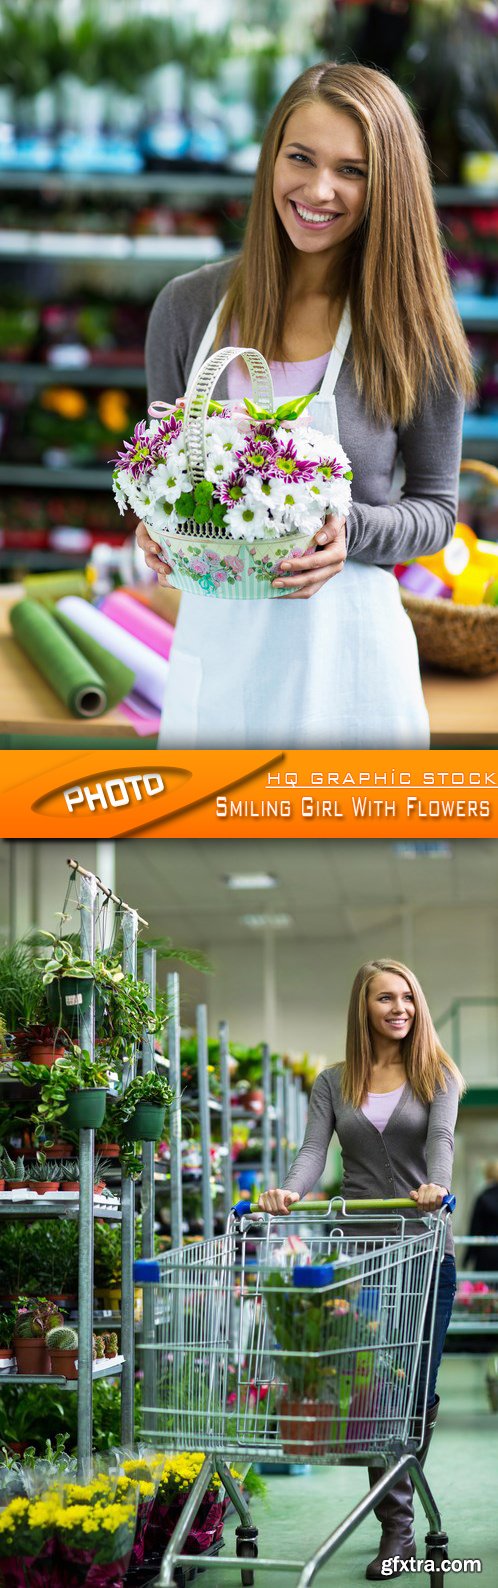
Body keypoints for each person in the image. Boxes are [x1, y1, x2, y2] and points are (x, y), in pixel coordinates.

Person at [139, 62, 474, 751]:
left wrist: (351, 531)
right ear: (271, 160)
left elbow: (437, 513)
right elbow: (166, 473)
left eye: (352, 171)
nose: (318, 191)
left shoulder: (413, 329)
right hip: (222, 677)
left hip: (351, 677)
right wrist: (154, 526)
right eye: (301, 158)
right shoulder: (187, 309)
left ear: (388, 188)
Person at [259, 958, 464, 1580]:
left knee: (413, 1391)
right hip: (359, 1256)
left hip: (425, 1250)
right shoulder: (334, 1081)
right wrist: (288, 1193)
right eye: (385, 998)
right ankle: (396, 1524)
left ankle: (396, 1521)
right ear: (363, 1007)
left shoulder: (438, 1074)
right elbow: (313, 1153)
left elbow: (442, 1144)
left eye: (408, 997)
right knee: (374, 1391)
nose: (400, 1008)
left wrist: (435, 1188)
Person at [465, 1161, 498, 1273]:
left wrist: (467, 1258)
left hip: (486, 1253)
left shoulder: (483, 1197)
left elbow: (475, 1228)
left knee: (485, 1288)